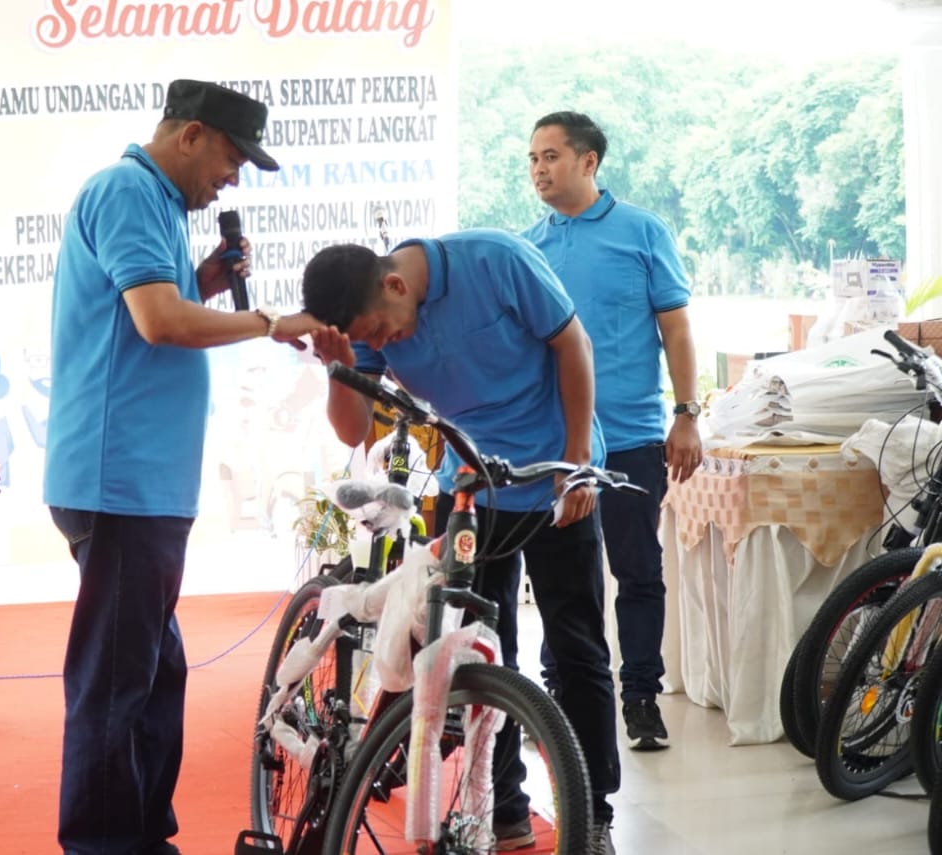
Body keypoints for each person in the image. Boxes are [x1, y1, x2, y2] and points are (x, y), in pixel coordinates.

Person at [43, 79, 320, 855]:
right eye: (231, 158)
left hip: (143, 476)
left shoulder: (157, 202)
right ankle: (105, 842)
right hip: (119, 474)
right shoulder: (129, 190)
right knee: (116, 678)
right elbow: (158, 323)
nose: (230, 178)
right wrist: (270, 320)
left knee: (154, 669)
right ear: (191, 135)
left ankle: (138, 831)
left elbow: (145, 310)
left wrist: (205, 280)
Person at [303, 232, 619, 854]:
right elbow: (352, 430)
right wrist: (338, 368)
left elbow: (571, 344)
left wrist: (576, 462)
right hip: (473, 490)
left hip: (555, 479)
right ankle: (506, 807)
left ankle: (594, 813)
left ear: (395, 284)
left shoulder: (494, 261)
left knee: (577, 648)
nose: (388, 346)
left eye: (384, 333)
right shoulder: (369, 324)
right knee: (478, 653)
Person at [523, 111, 701, 751]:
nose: (540, 169)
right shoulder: (529, 246)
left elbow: (676, 328)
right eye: (533, 158)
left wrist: (687, 412)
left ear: (589, 161)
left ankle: (641, 698)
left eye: (551, 156)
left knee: (638, 571)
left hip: (631, 437)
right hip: (559, 443)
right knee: (565, 580)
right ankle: (562, 692)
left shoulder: (642, 231)